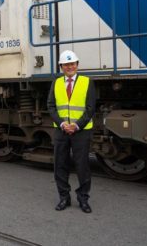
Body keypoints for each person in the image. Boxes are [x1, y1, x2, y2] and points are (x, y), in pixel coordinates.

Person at [47, 50, 96, 213]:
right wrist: (62, 124)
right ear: (61, 66)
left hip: (80, 131)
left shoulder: (87, 82)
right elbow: (51, 106)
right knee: (60, 164)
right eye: (66, 64)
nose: (70, 67)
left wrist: (76, 125)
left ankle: (83, 198)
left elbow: (90, 108)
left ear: (77, 65)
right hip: (61, 131)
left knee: (82, 165)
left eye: (72, 64)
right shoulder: (56, 83)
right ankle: (64, 198)